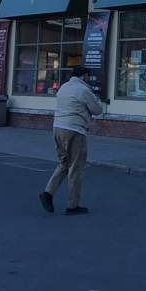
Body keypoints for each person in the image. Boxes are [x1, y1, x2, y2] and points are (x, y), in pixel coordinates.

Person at [39, 67, 103, 215]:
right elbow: (97, 110)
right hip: (75, 130)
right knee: (76, 167)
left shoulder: (63, 87)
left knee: (64, 163)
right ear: (84, 76)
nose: (89, 78)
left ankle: (48, 193)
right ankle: (72, 205)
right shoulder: (83, 90)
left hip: (57, 128)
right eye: (88, 76)